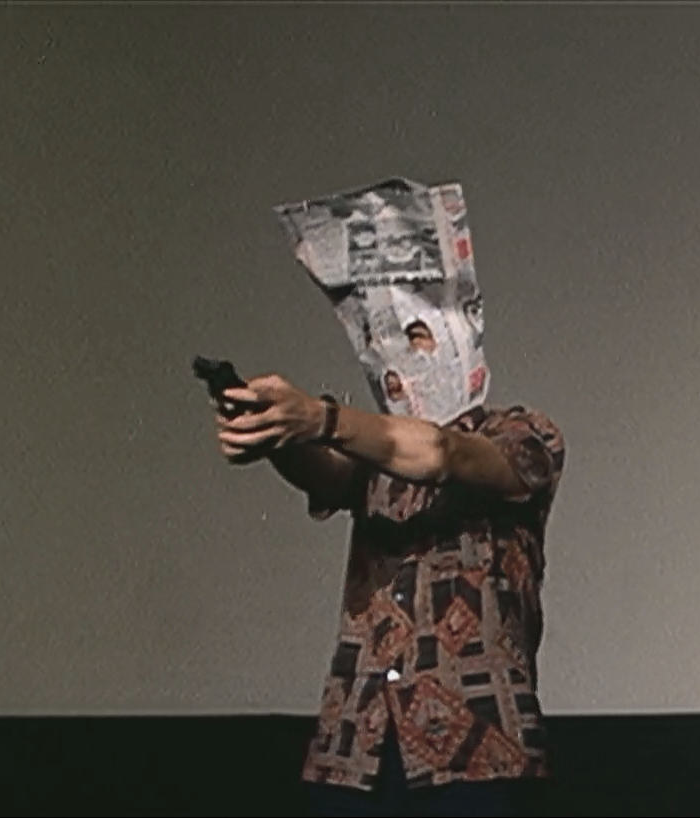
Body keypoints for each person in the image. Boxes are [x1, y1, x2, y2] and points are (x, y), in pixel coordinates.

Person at [212, 177, 564, 817]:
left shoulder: (522, 434)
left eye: (419, 334)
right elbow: (327, 476)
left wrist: (320, 418)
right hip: (358, 747)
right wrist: (272, 430)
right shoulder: (370, 450)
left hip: (476, 752)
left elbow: (443, 453)